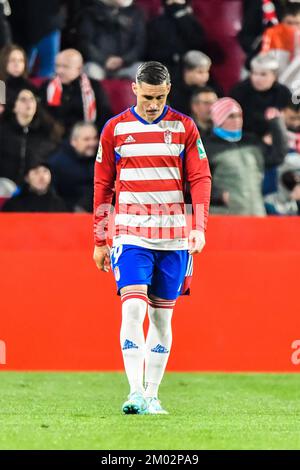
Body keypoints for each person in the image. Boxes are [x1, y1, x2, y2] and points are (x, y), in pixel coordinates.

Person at [93, 61, 211, 415]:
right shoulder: (115, 129)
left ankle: (153, 393)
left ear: (169, 90)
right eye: (147, 96)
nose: (153, 104)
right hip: (131, 234)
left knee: (162, 319)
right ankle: (134, 393)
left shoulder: (184, 127)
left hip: (174, 237)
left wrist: (199, 226)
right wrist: (100, 239)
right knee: (132, 307)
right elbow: (102, 185)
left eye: (159, 97)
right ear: (134, 89)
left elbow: (201, 178)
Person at [203, 97, 287, 214]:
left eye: (239, 115)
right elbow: (194, 181)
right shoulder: (206, 146)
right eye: (231, 116)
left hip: (255, 213)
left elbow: (277, 157)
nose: (237, 120)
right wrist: (219, 195)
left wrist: (276, 123)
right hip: (223, 216)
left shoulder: (251, 141)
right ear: (218, 118)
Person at [40, 49, 112, 136]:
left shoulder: (94, 87)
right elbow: (41, 115)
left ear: (79, 68)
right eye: (57, 66)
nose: (59, 71)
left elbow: (105, 116)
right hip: (54, 138)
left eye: (65, 67)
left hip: (87, 139)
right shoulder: (47, 87)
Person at [0, 89, 62, 185]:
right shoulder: (3, 132)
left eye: (32, 99)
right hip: (5, 186)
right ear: (14, 107)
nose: (28, 103)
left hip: (35, 188)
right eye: (23, 100)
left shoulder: (47, 132)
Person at [77, 0, 146, 80]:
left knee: (143, 71)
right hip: (98, 64)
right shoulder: (91, 12)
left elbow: (139, 44)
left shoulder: (136, 13)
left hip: (126, 65)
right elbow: (86, 42)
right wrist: (104, 60)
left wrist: (123, 60)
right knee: (90, 70)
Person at [230, 52, 291, 137]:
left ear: (274, 76)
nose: (257, 79)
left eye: (263, 74)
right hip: (244, 137)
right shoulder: (239, 91)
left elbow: (289, 120)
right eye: (254, 73)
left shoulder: (283, 93)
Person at [49, 121, 98, 212]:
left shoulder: (104, 159)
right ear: (73, 141)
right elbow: (53, 195)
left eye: (95, 138)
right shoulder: (58, 163)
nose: (92, 143)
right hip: (68, 217)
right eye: (86, 139)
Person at [2, 159, 67, 212]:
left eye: (45, 171)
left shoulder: (58, 204)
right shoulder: (13, 204)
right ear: (26, 178)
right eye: (36, 172)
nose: (42, 177)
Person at [169, 50, 222, 115]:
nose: (205, 76)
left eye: (207, 71)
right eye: (200, 72)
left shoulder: (212, 86)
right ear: (187, 71)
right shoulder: (171, 90)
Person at [0, 44, 38, 108]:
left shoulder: (30, 87)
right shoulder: (1, 86)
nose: (17, 64)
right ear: (4, 62)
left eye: (21, 61)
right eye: (12, 60)